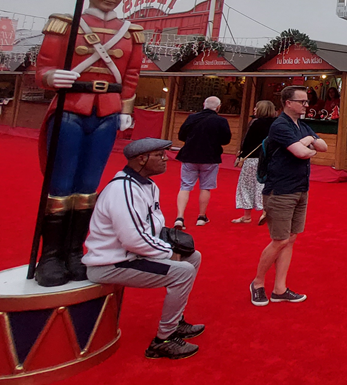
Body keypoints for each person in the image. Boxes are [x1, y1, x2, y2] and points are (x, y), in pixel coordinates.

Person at [34, 0, 146, 286]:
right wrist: (53, 76)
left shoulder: (132, 33)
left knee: (89, 186)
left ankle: (74, 251)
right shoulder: (66, 24)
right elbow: (42, 69)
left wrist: (126, 108)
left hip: (107, 113)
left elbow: (131, 76)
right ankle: (50, 256)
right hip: (71, 108)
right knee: (61, 184)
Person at [84, 138, 205, 360]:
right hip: (111, 263)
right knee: (183, 271)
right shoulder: (123, 189)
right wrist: (169, 252)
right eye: (159, 155)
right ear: (141, 159)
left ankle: (175, 322)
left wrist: (171, 245)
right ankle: (163, 340)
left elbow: (153, 228)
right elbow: (133, 240)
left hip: (131, 255)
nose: (166, 159)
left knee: (193, 257)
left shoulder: (148, 185)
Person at [250, 86, 326, 306]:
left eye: (306, 101)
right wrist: (307, 143)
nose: (306, 105)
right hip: (280, 190)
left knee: (290, 239)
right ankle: (257, 283)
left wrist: (307, 141)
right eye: (301, 101)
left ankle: (279, 288)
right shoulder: (280, 125)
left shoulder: (302, 125)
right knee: (280, 240)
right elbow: (302, 153)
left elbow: (322, 146)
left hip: (300, 188)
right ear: (287, 103)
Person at [175, 95, 232, 228]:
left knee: (185, 186)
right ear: (218, 107)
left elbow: (181, 136)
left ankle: (180, 217)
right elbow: (226, 140)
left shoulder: (191, 118)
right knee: (205, 187)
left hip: (189, 155)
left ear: (203, 105)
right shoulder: (221, 121)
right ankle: (201, 216)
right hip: (210, 157)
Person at [232, 100, 277, 224]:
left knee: (247, 186)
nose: (254, 109)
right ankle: (265, 212)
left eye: (256, 107)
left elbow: (247, 141)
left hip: (253, 159)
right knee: (265, 186)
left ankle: (247, 216)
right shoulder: (276, 124)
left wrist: (241, 155)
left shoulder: (255, 123)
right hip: (270, 159)